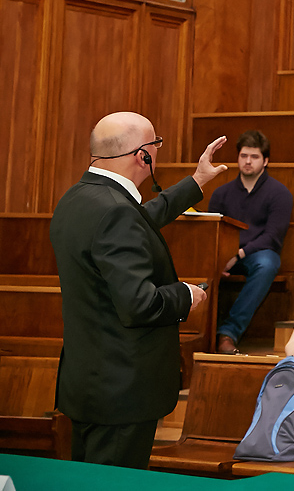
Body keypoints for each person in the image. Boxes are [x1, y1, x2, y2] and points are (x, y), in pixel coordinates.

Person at [51, 116, 223, 467]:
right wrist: (186, 295)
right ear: (142, 156)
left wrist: (197, 181)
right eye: (156, 145)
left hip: (89, 382)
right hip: (122, 391)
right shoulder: (116, 211)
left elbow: (137, 220)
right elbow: (139, 304)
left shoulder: (78, 198)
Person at [209, 130, 293, 355]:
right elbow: (212, 233)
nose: (247, 161)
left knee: (267, 264)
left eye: (254, 157)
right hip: (225, 254)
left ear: (265, 161)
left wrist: (238, 254)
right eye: (244, 155)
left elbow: (272, 237)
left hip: (257, 253)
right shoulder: (221, 194)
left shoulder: (279, 193)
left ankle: (227, 333)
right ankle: (197, 332)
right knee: (200, 263)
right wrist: (219, 260)